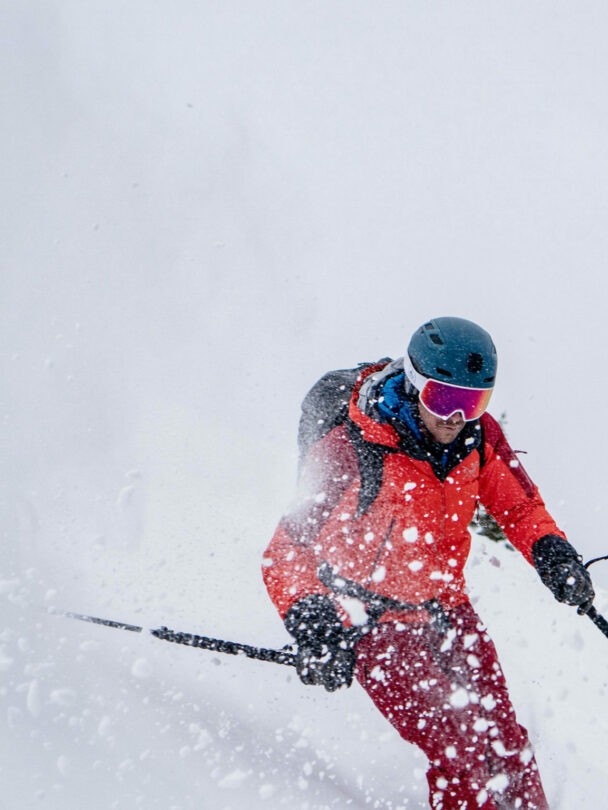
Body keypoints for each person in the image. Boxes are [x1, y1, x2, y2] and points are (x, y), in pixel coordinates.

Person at [261, 317, 595, 810]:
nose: (456, 416)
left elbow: (519, 508)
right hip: (368, 617)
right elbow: (287, 551)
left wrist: (551, 551)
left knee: (503, 741)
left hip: (446, 607)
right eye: (443, 399)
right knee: (458, 749)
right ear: (415, 383)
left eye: (473, 402)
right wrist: (315, 623)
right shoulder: (350, 448)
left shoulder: (477, 439)